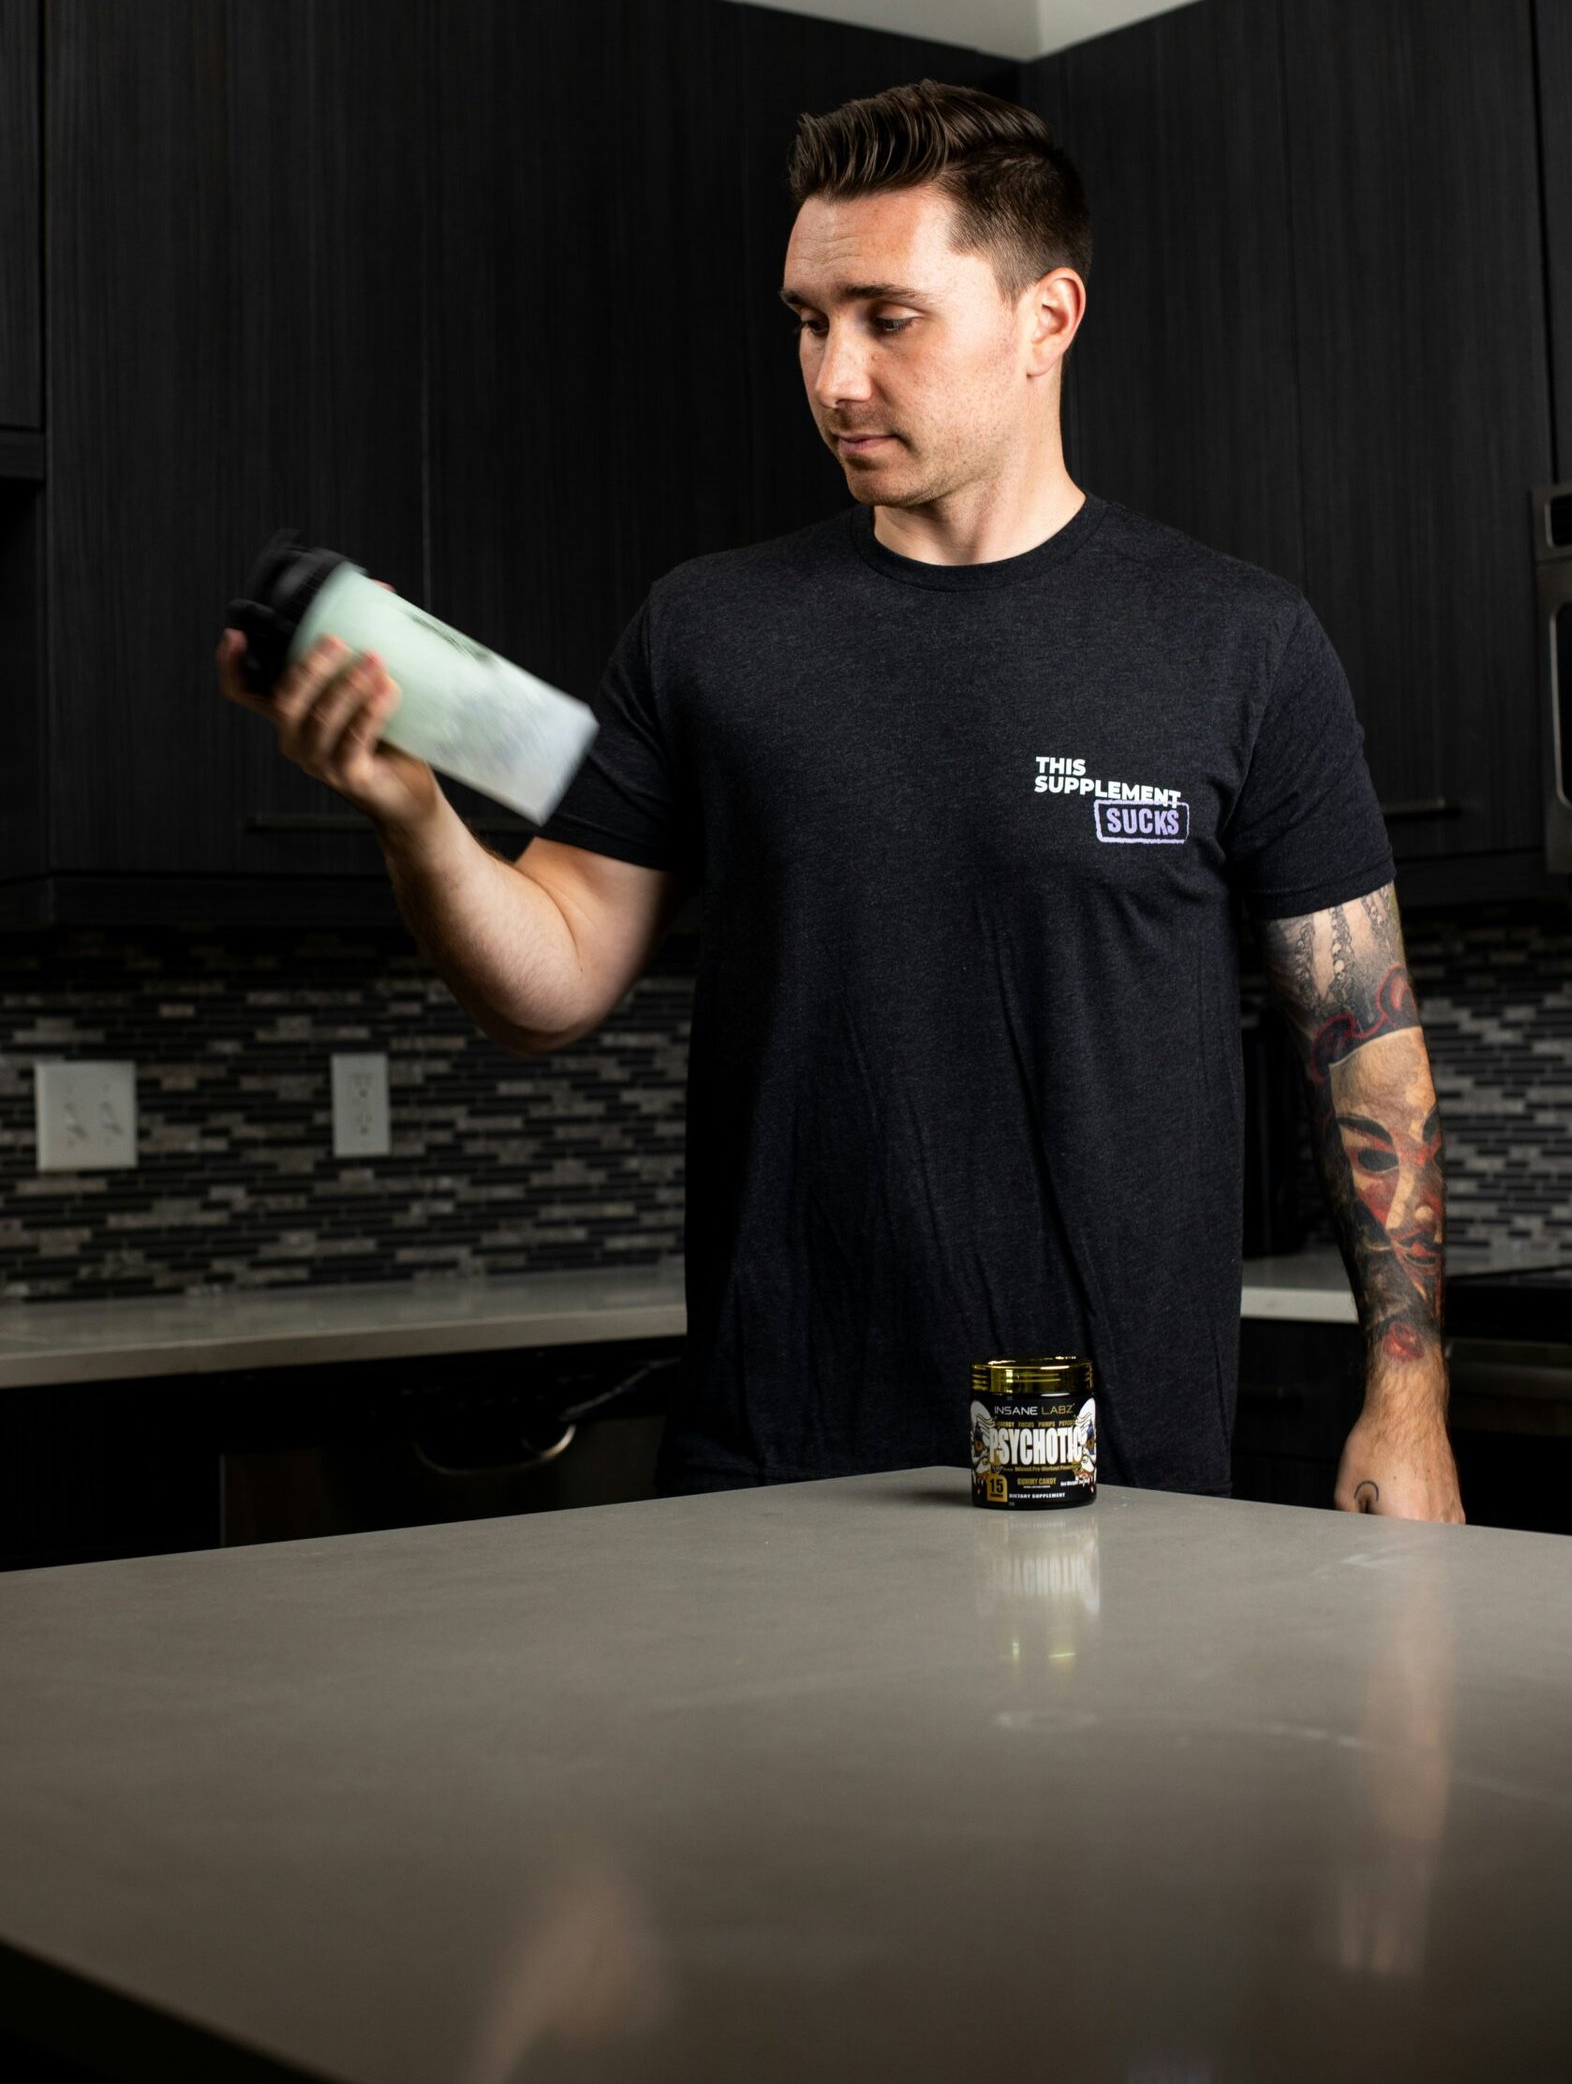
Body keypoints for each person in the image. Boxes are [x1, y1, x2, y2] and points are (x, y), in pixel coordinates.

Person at [218, 80, 1463, 1522]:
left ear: (1046, 318)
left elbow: (1364, 1043)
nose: (833, 378)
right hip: (779, 1466)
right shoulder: (709, 634)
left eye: (888, 317)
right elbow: (548, 981)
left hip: (1122, 1472)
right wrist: (417, 817)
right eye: (810, 322)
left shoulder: (1241, 643)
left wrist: (1408, 1395)